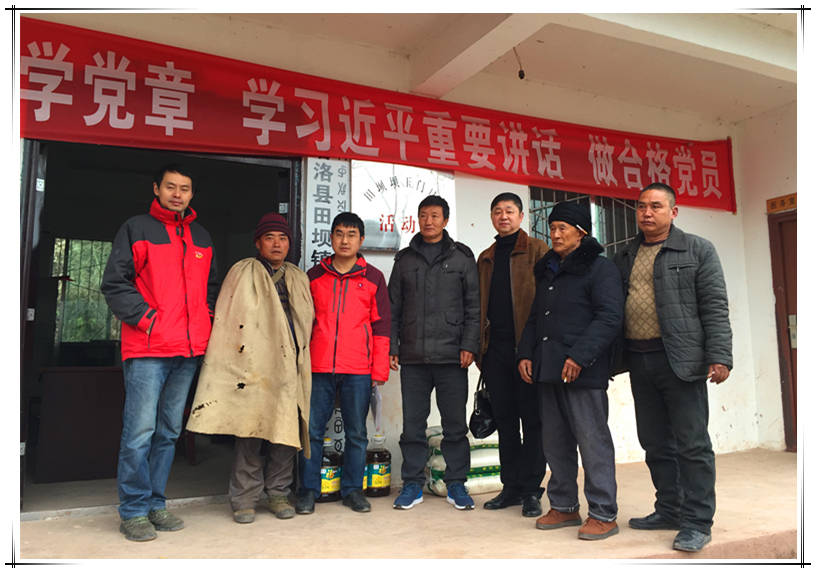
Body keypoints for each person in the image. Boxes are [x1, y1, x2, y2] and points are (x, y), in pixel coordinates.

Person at [101, 163, 218, 542]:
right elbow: (115, 283)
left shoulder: (202, 237)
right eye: (170, 186)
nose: (177, 194)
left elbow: (212, 287)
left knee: (168, 432)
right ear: (156, 189)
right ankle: (133, 511)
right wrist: (148, 319)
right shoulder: (136, 228)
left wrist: (205, 320)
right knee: (139, 432)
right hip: (148, 347)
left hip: (188, 351)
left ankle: (155, 503)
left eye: (184, 188)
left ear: (192, 194)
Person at [613, 183, 732, 553]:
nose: (647, 213)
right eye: (641, 206)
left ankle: (697, 522)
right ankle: (669, 509)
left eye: (656, 206)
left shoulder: (697, 249)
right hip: (639, 359)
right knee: (654, 441)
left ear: (673, 212)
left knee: (692, 444)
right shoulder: (626, 254)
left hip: (681, 360)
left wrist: (720, 355)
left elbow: (714, 305)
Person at [186, 213, 314, 524]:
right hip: (251, 367)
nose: (276, 244)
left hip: (290, 366)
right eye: (269, 238)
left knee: (285, 433)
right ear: (257, 242)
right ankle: (244, 497)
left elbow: (307, 319)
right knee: (249, 432)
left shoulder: (298, 277)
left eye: (282, 239)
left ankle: (279, 493)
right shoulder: (242, 272)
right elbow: (228, 319)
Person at [517, 202, 623, 541]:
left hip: (583, 372)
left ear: (582, 233)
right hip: (549, 369)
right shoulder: (549, 269)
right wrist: (526, 354)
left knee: (593, 442)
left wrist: (578, 356)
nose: (556, 234)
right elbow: (536, 318)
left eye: (563, 228)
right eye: (552, 228)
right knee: (555, 442)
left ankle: (603, 513)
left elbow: (610, 317)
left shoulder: (600, 268)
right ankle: (563, 506)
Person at [388, 195, 480, 511]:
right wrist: (393, 346)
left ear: (445, 220)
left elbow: (474, 307)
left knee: (455, 425)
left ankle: (456, 484)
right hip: (413, 356)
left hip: (453, 356)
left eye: (435, 215)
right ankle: (412, 484)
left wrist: (469, 344)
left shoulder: (462, 258)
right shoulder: (404, 260)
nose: (428, 221)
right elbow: (393, 308)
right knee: (413, 425)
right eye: (424, 215)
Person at [295, 212, 391, 515]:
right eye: (339, 234)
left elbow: (382, 326)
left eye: (351, 235)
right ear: (331, 238)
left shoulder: (374, 278)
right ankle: (308, 490)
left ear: (361, 240)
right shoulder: (313, 276)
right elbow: (302, 321)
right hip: (318, 366)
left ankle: (352, 490)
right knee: (312, 431)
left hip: (358, 369)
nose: (345, 240)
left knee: (357, 433)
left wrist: (379, 369)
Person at [476, 192, 548, 518]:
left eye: (509, 211)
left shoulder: (537, 250)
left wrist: (537, 347)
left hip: (527, 350)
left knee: (532, 422)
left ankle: (532, 490)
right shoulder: (486, 257)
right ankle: (511, 487)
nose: (503, 216)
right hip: (495, 351)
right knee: (505, 422)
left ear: (521, 216)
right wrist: (480, 348)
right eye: (497, 211)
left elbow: (547, 301)